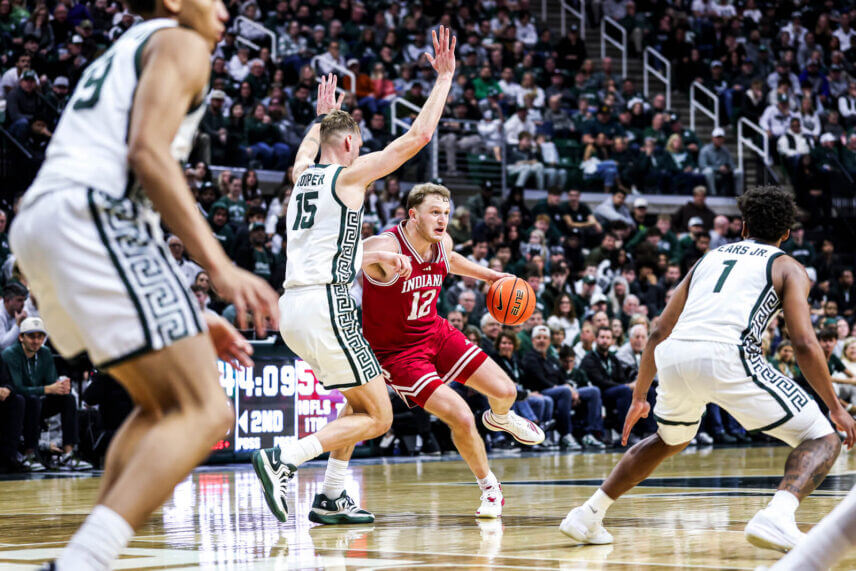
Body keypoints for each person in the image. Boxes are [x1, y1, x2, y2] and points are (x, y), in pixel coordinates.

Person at [10, 1, 280, 568]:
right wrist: (221, 267)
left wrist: (184, 308)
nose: (227, 9)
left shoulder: (130, 46)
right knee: (205, 409)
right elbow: (148, 156)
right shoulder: (183, 42)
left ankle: (88, 558)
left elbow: (129, 181)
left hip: (44, 223)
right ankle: (83, 563)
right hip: (94, 217)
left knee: (161, 406)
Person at [560, 186, 856, 554]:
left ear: (744, 227)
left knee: (671, 438)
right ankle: (777, 515)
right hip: (728, 354)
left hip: (675, 353)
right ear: (787, 234)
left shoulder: (709, 258)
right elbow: (804, 343)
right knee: (824, 436)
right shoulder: (788, 266)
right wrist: (836, 405)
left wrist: (640, 395)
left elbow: (657, 330)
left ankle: (587, 514)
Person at [252, 28, 464, 526]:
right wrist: (445, 79)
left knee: (357, 398)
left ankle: (330, 497)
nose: (361, 151)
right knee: (381, 414)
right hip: (328, 305)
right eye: (358, 144)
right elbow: (418, 138)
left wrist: (322, 115)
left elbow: (308, 148)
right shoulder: (348, 175)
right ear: (350, 144)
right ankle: (285, 457)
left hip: (294, 309)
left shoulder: (302, 174)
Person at [357, 183, 544, 517]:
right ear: (413, 215)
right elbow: (346, 256)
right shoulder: (387, 244)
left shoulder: (442, 241)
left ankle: (499, 417)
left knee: (505, 390)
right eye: (435, 212)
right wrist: (381, 257)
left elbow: (451, 258)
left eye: (446, 213)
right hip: (399, 353)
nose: (443, 219)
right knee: (459, 415)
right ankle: (490, 487)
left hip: (435, 331)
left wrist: (490, 276)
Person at [4, 317, 92, 471]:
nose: (36, 341)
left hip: (37, 401)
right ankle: (29, 455)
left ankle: (68, 455)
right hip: (16, 405)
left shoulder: (45, 352)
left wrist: (61, 387)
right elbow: (17, 388)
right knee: (31, 400)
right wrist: (48, 389)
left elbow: (52, 382)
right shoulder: (10, 354)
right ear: (21, 337)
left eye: (40, 337)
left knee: (68, 398)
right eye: (31, 336)